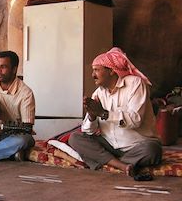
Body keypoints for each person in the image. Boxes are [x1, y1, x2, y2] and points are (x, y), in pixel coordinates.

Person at [68, 47, 162, 178]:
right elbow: (88, 131)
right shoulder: (98, 93)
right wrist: (92, 116)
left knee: (153, 150)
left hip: (137, 146)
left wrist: (104, 113)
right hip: (110, 146)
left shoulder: (135, 84)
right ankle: (123, 165)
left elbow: (135, 121)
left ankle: (109, 162)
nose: (92, 75)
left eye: (96, 70)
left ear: (111, 70)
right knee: (75, 138)